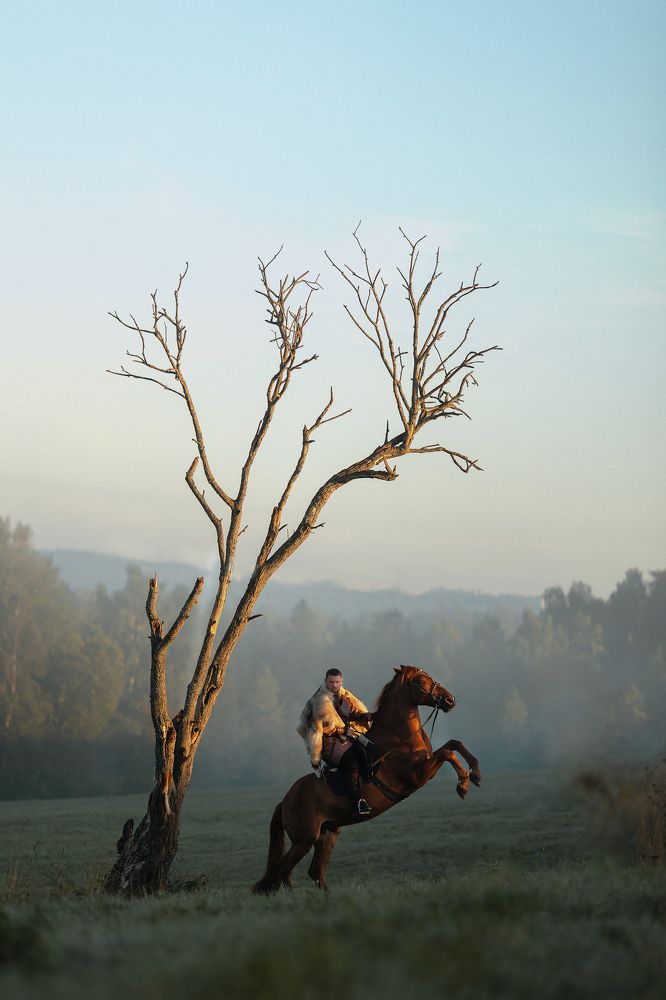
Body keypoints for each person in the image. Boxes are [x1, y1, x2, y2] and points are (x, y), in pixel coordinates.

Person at [297, 668, 374, 815]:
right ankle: (357, 802)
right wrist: (344, 731)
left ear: (341, 681)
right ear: (325, 681)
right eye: (331, 682)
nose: (334, 685)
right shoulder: (320, 700)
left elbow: (353, 712)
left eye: (338, 682)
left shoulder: (344, 695)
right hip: (326, 742)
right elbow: (322, 727)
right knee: (351, 761)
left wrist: (368, 716)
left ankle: (369, 783)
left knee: (370, 751)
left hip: (346, 738)